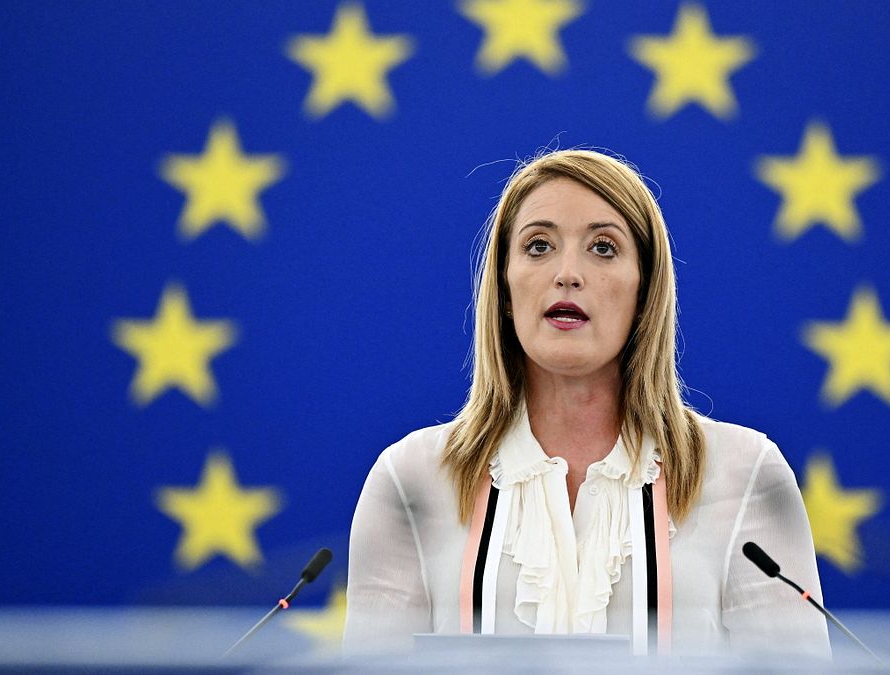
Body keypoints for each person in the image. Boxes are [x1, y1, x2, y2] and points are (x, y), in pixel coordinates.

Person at [342, 149, 830, 659]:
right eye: (538, 246)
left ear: (645, 291)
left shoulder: (745, 472)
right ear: (504, 288)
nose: (568, 273)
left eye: (602, 247)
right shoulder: (410, 478)